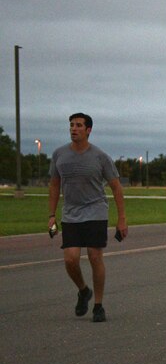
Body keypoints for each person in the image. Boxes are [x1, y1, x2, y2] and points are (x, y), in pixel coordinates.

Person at [48, 113, 127, 323]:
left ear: (88, 130)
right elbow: (54, 185)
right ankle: (84, 290)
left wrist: (121, 219)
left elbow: (116, 188)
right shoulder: (59, 155)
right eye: (71, 125)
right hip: (71, 213)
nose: (74, 129)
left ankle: (98, 305)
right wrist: (51, 216)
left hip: (95, 211)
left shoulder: (100, 157)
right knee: (71, 259)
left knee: (94, 256)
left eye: (79, 125)